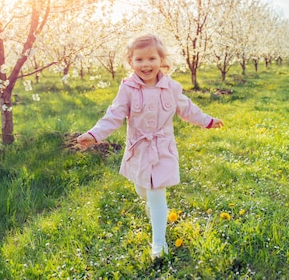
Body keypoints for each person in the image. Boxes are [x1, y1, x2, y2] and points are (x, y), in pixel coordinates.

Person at [77, 34, 223, 259]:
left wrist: (208, 121)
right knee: (143, 190)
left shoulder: (171, 87)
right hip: (139, 149)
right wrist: (94, 135)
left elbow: (187, 109)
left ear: (161, 59)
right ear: (131, 62)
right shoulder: (127, 88)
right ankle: (153, 208)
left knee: (157, 194)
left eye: (151, 59)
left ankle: (158, 243)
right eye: (139, 60)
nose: (146, 65)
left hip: (162, 149)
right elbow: (114, 115)